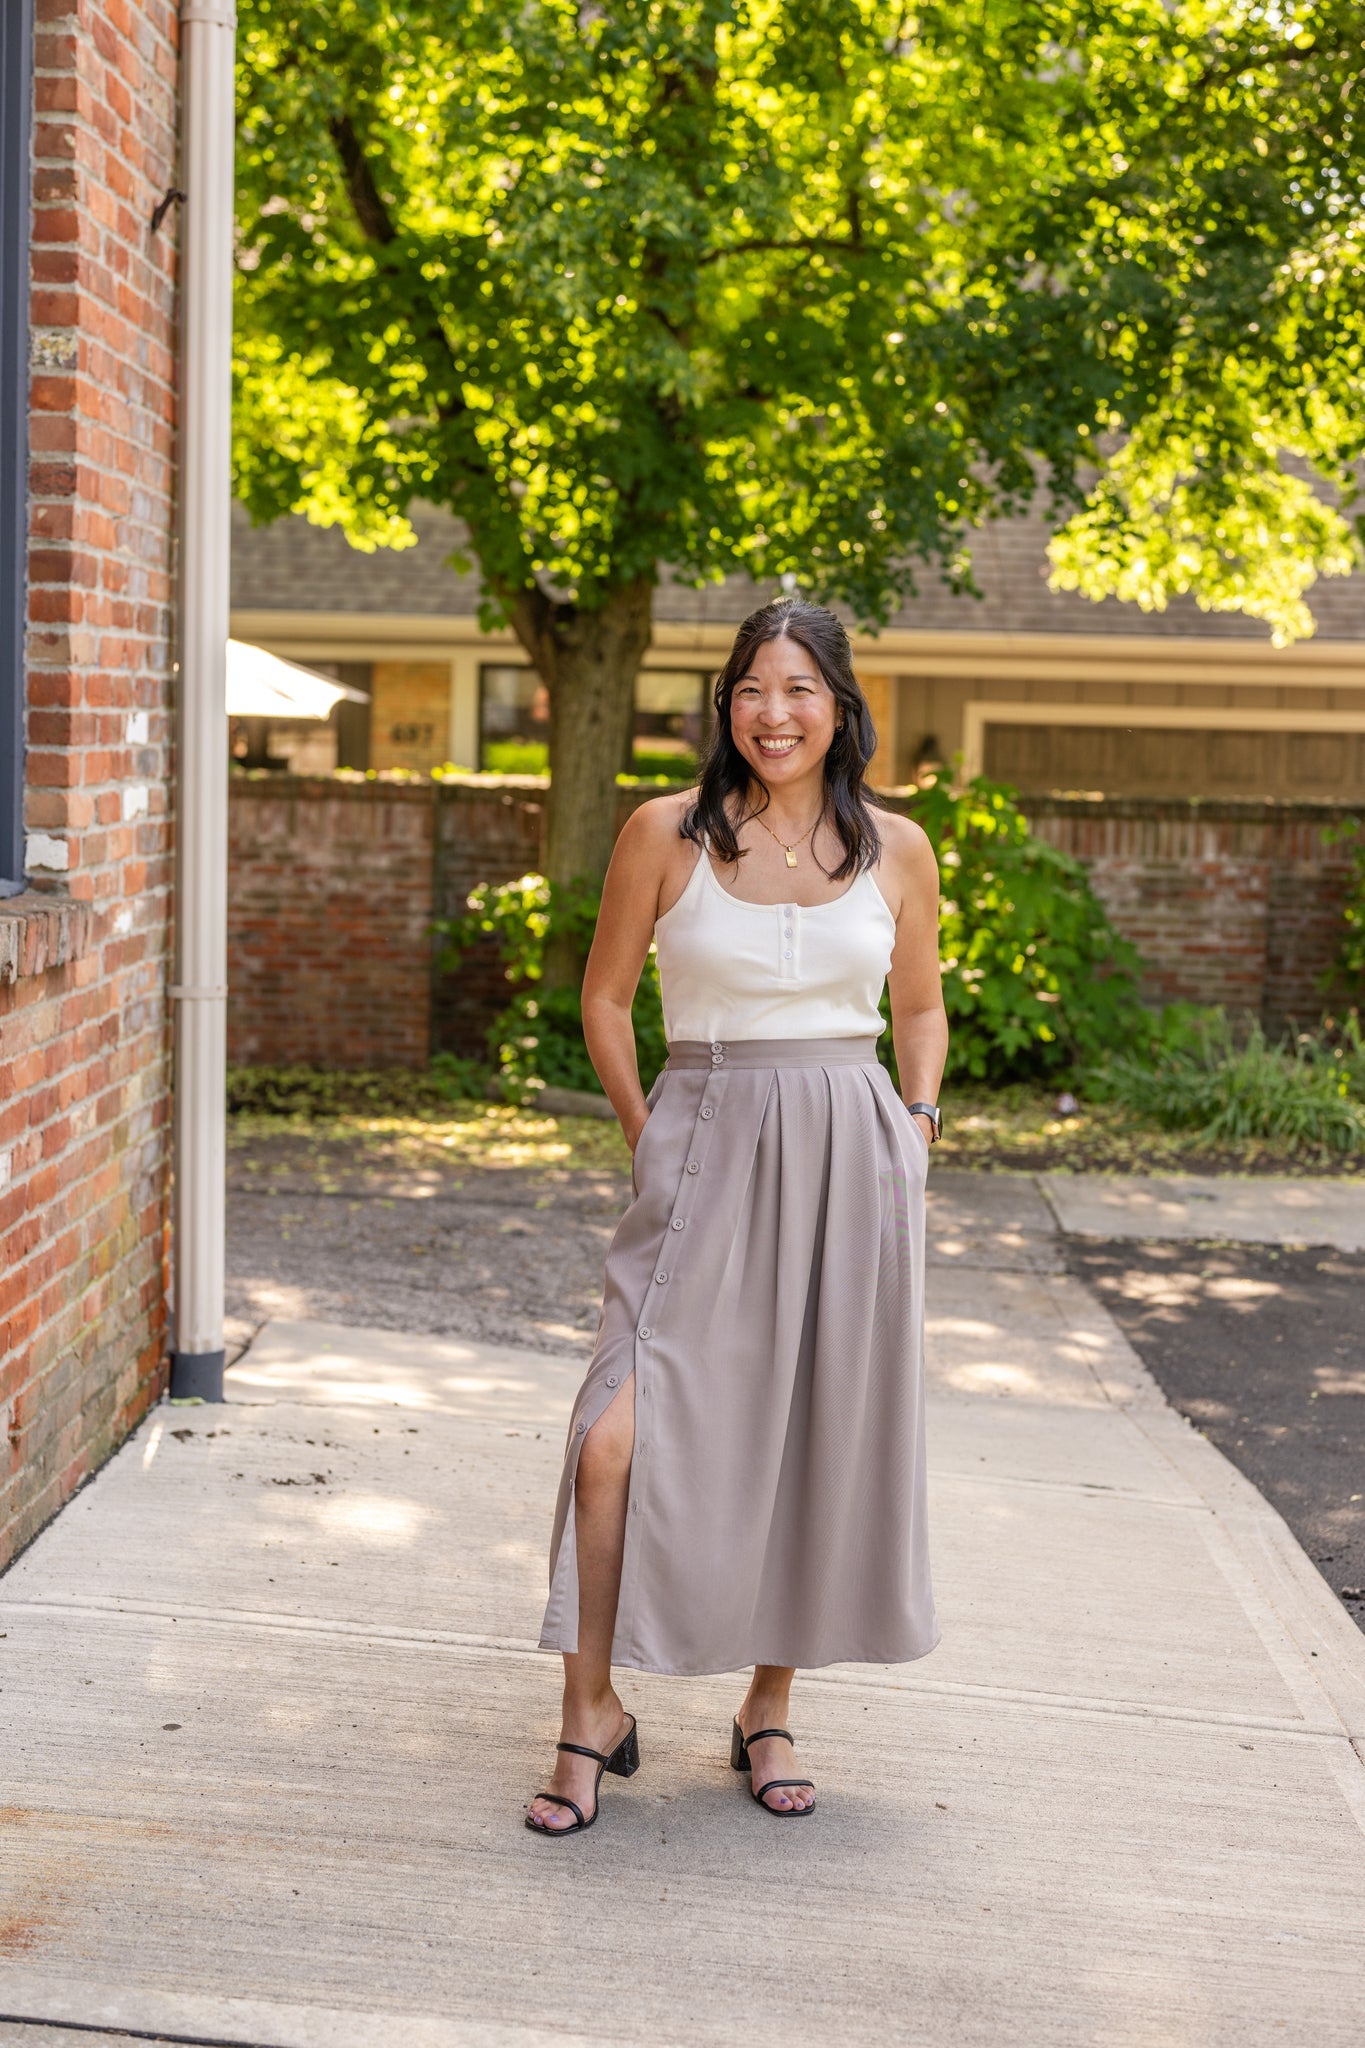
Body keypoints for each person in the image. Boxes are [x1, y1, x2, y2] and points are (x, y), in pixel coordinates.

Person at [525, 595, 946, 1836]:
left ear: (841, 706)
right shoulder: (665, 832)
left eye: (801, 688)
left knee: (806, 1438)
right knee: (614, 1434)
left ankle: (770, 1704)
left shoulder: (897, 847)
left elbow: (917, 1010)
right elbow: (607, 1002)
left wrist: (915, 1128)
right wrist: (651, 1136)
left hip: (850, 1159)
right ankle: (588, 1705)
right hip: (702, 1140)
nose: (776, 711)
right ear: (727, 704)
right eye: (754, 688)